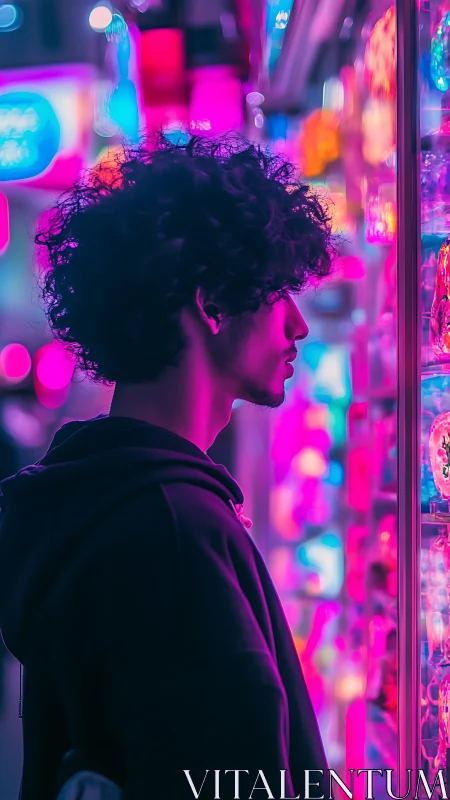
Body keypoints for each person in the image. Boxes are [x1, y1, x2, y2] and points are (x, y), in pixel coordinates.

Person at [0, 134, 335, 800]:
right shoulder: (174, 532)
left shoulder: (106, 499)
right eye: (277, 293)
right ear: (212, 305)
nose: (297, 325)